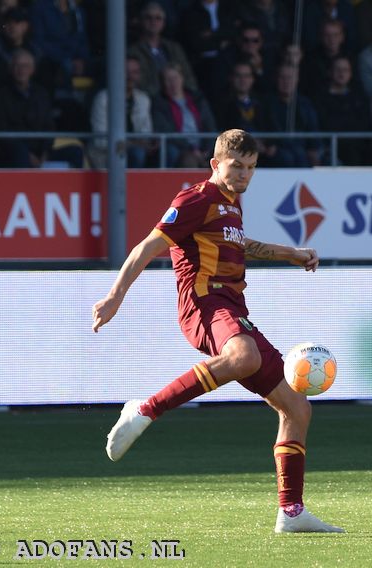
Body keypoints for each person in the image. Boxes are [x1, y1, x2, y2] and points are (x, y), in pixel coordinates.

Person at [92, 128, 345, 534]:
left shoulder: (230, 205)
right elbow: (146, 247)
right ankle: (143, 410)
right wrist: (115, 296)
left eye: (250, 168)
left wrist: (291, 254)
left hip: (234, 311)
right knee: (243, 356)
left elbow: (240, 243)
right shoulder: (195, 199)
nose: (243, 174)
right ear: (215, 164)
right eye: (236, 166)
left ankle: (291, 512)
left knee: (297, 408)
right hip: (203, 304)